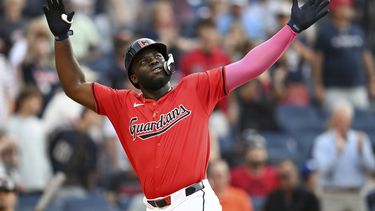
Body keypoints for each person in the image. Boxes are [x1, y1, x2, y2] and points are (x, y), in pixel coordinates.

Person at [42, 0, 329, 209]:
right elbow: (74, 86)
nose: (153, 60)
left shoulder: (196, 87)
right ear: (133, 77)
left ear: (168, 63)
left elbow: (250, 66)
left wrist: (291, 29)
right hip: (152, 206)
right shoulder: (121, 103)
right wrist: (61, 37)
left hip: (192, 201)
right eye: (143, 61)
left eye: (157, 56)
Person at [313, 0, 375, 111]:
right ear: (335, 9)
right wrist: (318, 86)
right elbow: (318, 62)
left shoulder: (357, 31)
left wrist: (372, 81)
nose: (348, 10)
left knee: (362, 123)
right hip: (333, 89)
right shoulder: (326, 32)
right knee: (338, 122)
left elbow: (366, 58)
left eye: (348, 7)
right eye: (344, 7)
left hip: (357, 87)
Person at [312, 101, 375, 211]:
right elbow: (322, 170)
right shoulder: (322, 141)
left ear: (350, 120)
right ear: (333, 119)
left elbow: (371, 168)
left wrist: (361, 153)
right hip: (332, 195)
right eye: (339, 118)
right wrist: (337, 153)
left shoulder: (360, 139)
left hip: (356, 194)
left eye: (345, 118)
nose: (342, 122)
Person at [230, 131, 278, 211]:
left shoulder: (274, 174)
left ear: (265, 153)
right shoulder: (235, 175)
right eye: (252, 149)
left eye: (259, 149)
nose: (256, 153)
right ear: (245, 154)